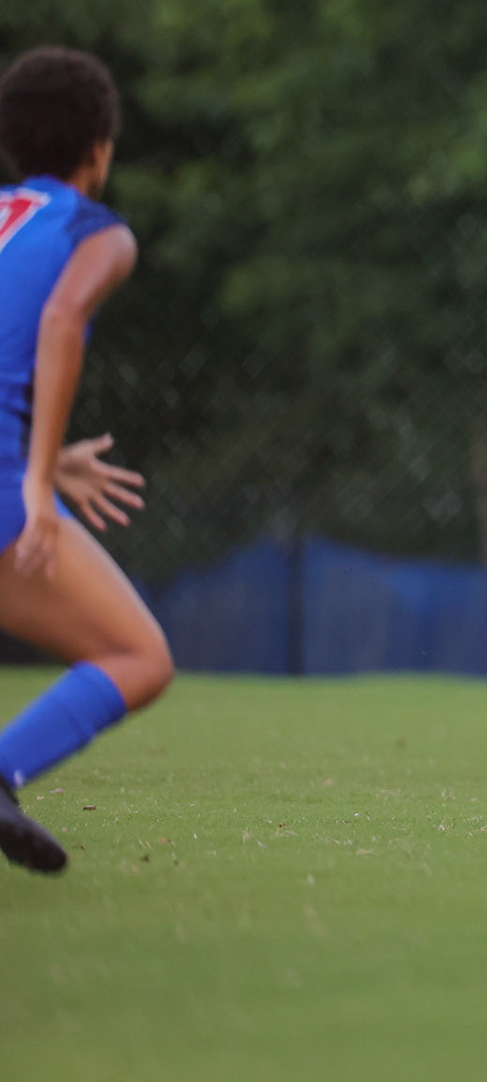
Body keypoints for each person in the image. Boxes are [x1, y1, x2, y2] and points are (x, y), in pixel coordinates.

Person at [0, 46, 173, 874]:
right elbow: (61, 322)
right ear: (99, 148)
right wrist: (36, 478)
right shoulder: (95, 233)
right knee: (138, 657)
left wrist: (46, 456)